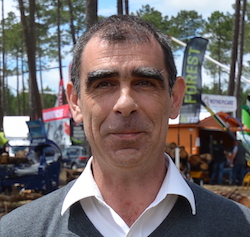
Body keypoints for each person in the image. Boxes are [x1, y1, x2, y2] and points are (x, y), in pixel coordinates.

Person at [1, 15, 250, 237]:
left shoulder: (240, 227)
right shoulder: (16, 231)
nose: (125, 103)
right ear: (75, 102)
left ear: (175, 98)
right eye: (104, 84)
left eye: (144, 83)